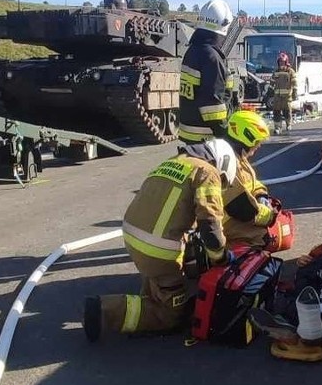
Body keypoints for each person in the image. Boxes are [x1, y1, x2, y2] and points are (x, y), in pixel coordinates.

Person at [83, 138, 238, 341]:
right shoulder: (208, 172)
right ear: (222, 164)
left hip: (133, 237)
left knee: (157, 283)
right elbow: (209, 223)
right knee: (170, 313)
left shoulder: (173, 162)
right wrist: (220, 256)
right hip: (157, 249)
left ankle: (153, 290)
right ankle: (103, 310)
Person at [178, 0, 233, 144]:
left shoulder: (192, 51)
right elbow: (213, 105)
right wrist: (226, 136)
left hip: (189, 133)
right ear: (223, 26)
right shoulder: (212, 57)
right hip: (207, 137)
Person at [222, 109, 276, 249]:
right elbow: (243, 209)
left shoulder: (237, 156)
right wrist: (270, 215)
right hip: (225, 220)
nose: (259, 145)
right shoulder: (230, 163)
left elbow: (251, 181)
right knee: (262, 238)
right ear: (246, 137)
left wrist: (261, 194)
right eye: (257, 141)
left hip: (231, 214)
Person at [271, 52, 297, 135]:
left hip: (287, 97)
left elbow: (294, 82)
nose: (281, 64)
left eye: (283, 62)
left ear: (286, 62)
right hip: (277, 97)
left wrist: (294, 92)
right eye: (280, 62)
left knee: (287, 111)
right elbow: (272, 82)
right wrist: (270, 90)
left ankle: (288, 124)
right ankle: (277, 127)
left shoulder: (290, 71)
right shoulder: (276, 71)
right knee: (276, 112)